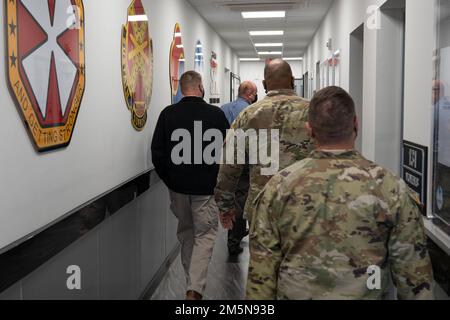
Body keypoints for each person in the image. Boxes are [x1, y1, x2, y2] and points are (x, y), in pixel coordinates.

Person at [247, 86, 435, 300]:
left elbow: (261, 279)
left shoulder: (279, 186)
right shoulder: (390, 187)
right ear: (356, 124)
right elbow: (415, 280)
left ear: (309, 129)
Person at [151, 71, 229, 300]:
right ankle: (194, 289)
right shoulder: (216, 115)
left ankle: (191, 283)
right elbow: (227, 152)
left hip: (178, 189)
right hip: (206, 190)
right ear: (200, 87)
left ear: (181, 89)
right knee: (205, 235)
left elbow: (158, 153)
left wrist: (171, 180)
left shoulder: (168, 114)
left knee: (186, 234)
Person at [215, 59, 312, 229]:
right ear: (292, 80)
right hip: (305, 207)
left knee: (263, 255)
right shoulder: (313, 112)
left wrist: (225, 205)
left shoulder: (248, 115)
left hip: (262, 207)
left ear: (264, 84)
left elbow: (229, 163)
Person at [220, 81, 258, 255]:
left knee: (234, 199)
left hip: (228, 161)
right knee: (244, 199)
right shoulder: (253, 111)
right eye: (255, 93)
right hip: (247, 163)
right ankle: (238, 238)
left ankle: (234, 238)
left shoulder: (223, 109)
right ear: (250, 94)